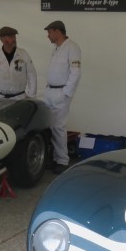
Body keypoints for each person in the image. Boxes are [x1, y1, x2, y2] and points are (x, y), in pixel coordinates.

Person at [43, 20, 81, 174]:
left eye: (49, 32)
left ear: (57, 31)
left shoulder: (72, 47)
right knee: (49, 126)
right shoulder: (57, 49)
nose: (48, 36)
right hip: (50, 91)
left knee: (59, 127)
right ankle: (53, 157)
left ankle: (63, 161)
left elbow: (76, 73)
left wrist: (66, 93)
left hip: (61, 92)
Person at [0, 26, 37, 100]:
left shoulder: (23, 54)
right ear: (2, 39)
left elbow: (32, 75)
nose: (14, 39)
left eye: (14, 36)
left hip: (20, 98)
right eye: (11, 37)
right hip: (0, 98)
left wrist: (31, 97)